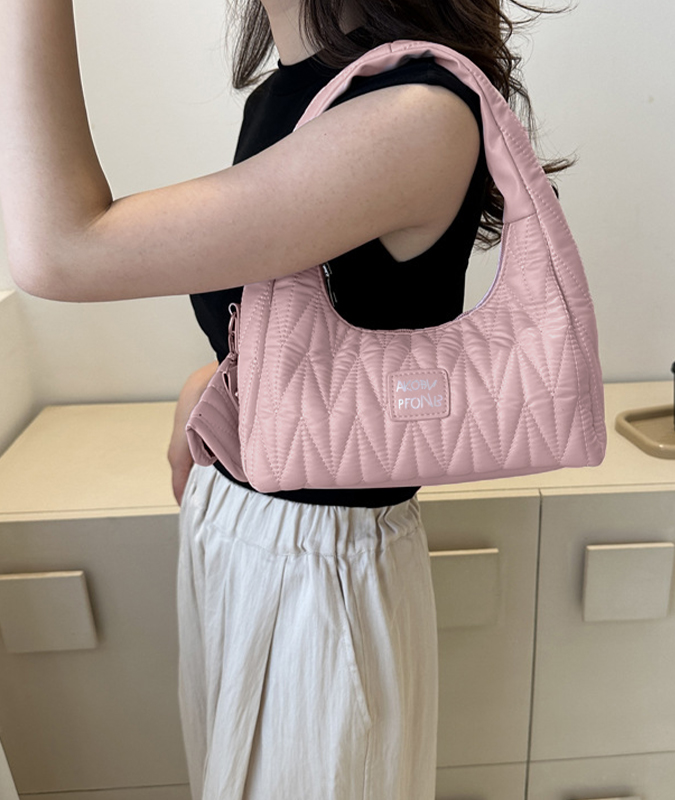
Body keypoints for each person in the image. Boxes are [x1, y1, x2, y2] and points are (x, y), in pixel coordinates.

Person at [0, 0, 565, 796]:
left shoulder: (413, 111)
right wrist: (216, 380)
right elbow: (314, 310)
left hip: (315, 578)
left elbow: (62, 249)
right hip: (244, 533)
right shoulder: (290, 92)